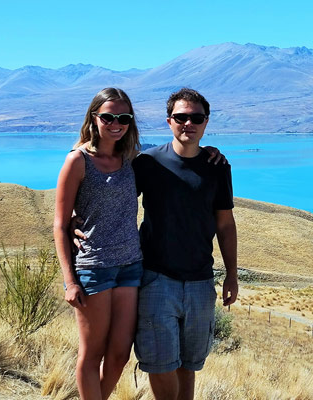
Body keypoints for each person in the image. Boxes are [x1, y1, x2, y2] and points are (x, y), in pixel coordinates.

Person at [132, 87, 238, 400]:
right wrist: (72, 219)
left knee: (188, 364)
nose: (188, 123)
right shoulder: (148, 163)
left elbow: (225, 223)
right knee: (159, 363)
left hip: (200, 281)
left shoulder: (217, 167)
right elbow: (115, 201)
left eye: (196, 118)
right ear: (169, 121)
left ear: (206, 122)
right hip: (155, 279)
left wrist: (231, 274)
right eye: (181, 117)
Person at [53, 87, 145, 400]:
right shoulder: (78, 160)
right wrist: (69, 282)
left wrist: (209, 152)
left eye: (123, 117)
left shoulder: (131, 159)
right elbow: (60, 224)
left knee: (120, 355)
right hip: (94, 268)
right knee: (92, 354)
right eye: (108, 116)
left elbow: (176, 158)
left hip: (130, 266)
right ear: (95, 118)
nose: (116, 123)